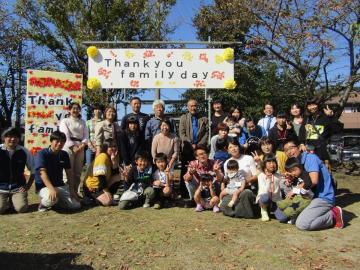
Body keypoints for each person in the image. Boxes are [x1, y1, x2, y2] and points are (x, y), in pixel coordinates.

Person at [283, 139, 343, 230]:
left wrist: (294, 190)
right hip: (310, 198)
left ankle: (334, 214)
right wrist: (291, 180)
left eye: (291, 148)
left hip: (323, 197)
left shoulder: (310, 158)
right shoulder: (296, 163)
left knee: (302, 224)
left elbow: (313, 181)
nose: (289, 152)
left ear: (299, 147)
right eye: (286, 150)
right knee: (287, 217)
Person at [35, 131, 81, 211]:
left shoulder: (64, 154)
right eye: (57, 141)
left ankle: (56, 203)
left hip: (60, 185)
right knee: (51, 198)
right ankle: (42, 205)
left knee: (76, 205)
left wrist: (72, 189)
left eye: (62, 141)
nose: (60, 143)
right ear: (51, 141)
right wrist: (51, 189)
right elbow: (42, 173)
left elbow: (69, 173)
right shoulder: (42, 153)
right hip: (44, 186)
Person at [220, 138, 258, 219]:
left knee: (246, 194)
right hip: (233, 189)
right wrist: (223, 184)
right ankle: (242, 211)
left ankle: (239, 212)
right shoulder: (227, 162)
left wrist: (246, 181)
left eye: (235, 146)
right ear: (227, 150)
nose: (233, 149)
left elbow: (256, 176)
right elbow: (227, 178)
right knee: (224, 204)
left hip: (247, 188)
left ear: (239, 146)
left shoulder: (248, 158)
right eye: (230, 147)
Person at [0, 127, 34, 214]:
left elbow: (33, 169)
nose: (13, 139)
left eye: (16, 137)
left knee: (21, 208)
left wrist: (27, 185)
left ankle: (13, 201)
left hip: (18, 188)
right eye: (9, 136)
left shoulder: (24, 151)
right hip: (1, 188)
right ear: (4, 138)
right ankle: (7, 202)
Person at [179, 99, 209, 196]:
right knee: (186, 169)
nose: (193, 108)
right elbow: (182, 134)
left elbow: (206, 133)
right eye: (191, 106)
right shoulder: (183, 118)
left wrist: (199, 145)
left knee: (200, 169)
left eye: (195, 105)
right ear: (188, 107)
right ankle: (184, 192)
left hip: (199, 148)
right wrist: (190, 143)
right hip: (187, 148)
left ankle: (201, 191)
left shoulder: (203, 118)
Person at [303, 98, 343, 168]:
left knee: (324, 174)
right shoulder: (307, 118)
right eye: (309, 105)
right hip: (309, 151)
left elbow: (337, 129)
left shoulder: (325, 117)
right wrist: (301, 143)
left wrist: (331, 116)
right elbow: (302, 132)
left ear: (318, 105)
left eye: (314, 104)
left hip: (322, 152)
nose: (312, 107)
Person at [59, 102, 88, 193]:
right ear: (69, 110)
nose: (75, 110)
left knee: (78, 172)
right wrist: (73, 147)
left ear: (79, 110)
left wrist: (82, 146)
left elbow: (86, 136)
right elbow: (65, 135)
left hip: (80, 147)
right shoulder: (65, 121)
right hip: (68, 148)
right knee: (68, 171)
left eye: (77, 108)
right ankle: (67, 193)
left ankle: (76, 192)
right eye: (73, 108)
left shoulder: (83, 122)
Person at [83, 141, 122, 206]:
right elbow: (101, 176)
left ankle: (106, 196)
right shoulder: (103, 156)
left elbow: (115, 174)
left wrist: (114, 161)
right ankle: (89, 198)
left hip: (101, 186)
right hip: (92, 187)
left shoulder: (111, 157)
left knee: (118, 176)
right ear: (105, 148)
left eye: (115, 146)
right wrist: (106, 192)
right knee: (107, 202)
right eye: (110, 146)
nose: (113, 148)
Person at [276, 157, 314, 223]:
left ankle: (292, 217)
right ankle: (289, 214)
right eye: (291, 171)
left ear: (300, 167)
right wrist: (289, 180)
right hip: (297, 196)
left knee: (293, 208)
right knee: (283, 205)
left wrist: (297, 191)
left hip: (305, 197)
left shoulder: (304, 174)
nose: (293, 173)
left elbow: (308, 184)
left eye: (294, 170)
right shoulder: (296, 177)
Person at [256, 154, 282, 221]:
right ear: (264, 164)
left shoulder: (278, 176)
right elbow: (264, 191)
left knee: (283, 218)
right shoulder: (261, 176)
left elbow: (282, 187)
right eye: (269, 162)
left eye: (273, 162)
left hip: (275, 201)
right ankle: (263, 210)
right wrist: (268, 180)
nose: (272, 164)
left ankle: (271, 210)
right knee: (265, 197)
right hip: (263, 199)